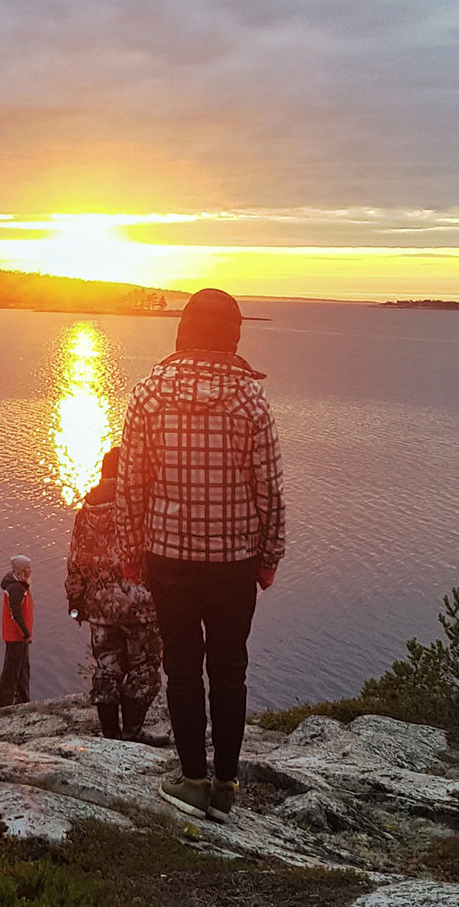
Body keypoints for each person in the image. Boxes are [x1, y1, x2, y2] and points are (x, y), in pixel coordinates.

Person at [116, 287, 285, 822]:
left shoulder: (147, 395)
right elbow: (270, 491)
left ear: (183, 330)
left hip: (168, 557)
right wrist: (270, 555)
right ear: (232, 335)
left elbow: (131, 485)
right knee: (230, 668)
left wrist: (129, 548)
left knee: (182, 668)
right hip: (234, 562)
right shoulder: (251, 402)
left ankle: (192, 779)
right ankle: (227, 785)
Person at [65, 447, 163, 741]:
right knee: (144, 669)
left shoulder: (85, 513)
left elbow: (75, 563)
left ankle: (109, 733)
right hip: (140, 608)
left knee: (106, 666)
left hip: (100, 609)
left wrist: (76, 601)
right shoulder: (141, 511)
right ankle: (132, 732)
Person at [0, 554, 33, 706]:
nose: (30, 571)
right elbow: (15, 613)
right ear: (20, 571)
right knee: (11, 671)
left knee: (23, 669)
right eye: (27, 568)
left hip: (20, 636)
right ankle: (4, 705)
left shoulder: (20, 586)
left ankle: (23, 701)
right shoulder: (17, 589)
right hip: (16, 636)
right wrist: (26, 632)